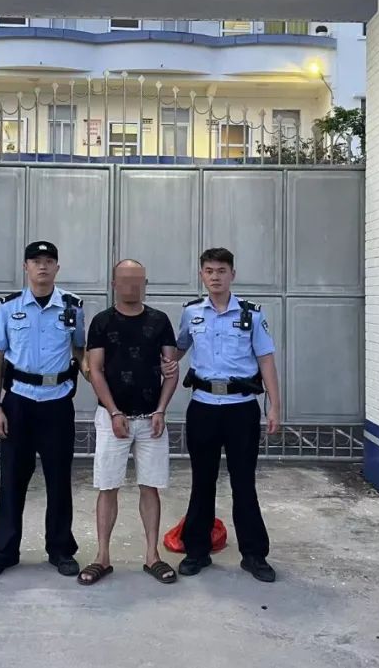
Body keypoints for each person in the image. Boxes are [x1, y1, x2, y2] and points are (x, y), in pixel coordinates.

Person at [167, 247, 282, 583]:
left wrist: (275, 406)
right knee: (202, 481)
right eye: (209, 271)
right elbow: (177, 350)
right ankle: (196, 550)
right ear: (201, 275)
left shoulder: (251, 315)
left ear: (233, 274)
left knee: (243, 483)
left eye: (221, 271)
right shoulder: (191, 313)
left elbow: (266, 360)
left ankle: (254, 555)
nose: (215, 277)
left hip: (240, 409)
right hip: (203, 406)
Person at [0, 241, 85, 579]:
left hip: (57, 403)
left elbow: (81, 353)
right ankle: (5, 551)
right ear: (25, 267)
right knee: (12, 478)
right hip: (18, 403)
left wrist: (101, 381)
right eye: (36, 261)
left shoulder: (72, 307)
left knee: (59, 479)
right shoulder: (8, 308)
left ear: (57, 267)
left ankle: (60, 550)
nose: (42, 267)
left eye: (49, 261)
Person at [77, 260, 179, 586]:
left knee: (150, 486)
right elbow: (95, 370)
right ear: (114, 284)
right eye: (125, 280)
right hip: (112, 418)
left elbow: (171, 370)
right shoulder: (102, 322)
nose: (131, 286)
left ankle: (152, 556)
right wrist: (113, 411)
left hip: (151, 419)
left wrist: (161, 410)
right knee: (107, 486)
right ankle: (102, 557)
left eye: (138, 281)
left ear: (145, 284)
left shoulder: (159, 321)